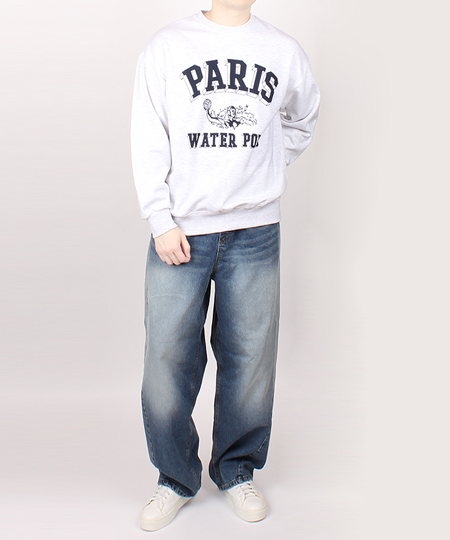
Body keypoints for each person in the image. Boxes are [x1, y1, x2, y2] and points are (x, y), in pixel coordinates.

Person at [130, 0, 320, 531]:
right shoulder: (168, 46)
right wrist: (160, 218)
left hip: (256, 230)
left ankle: (236, 470)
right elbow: (147, 134)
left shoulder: (282, 50)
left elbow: (304, 115)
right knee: (167, 360)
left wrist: (268, 161)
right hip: (181, 231)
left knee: (250, 358)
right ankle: (174, 477)